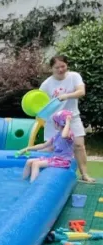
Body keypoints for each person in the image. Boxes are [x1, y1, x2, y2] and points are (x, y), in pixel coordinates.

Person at [40, 54, 93, 183]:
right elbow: (40, 104)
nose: (60, 69)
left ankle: (84, 174)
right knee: (51, 147)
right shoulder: (46, 85)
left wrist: (66, 96)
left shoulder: (74, 76)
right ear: (51, 68)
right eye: (57, 67)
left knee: (79, 145)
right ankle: (48, 177)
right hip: (54, 121)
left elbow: (81, 92)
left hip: (72, 117)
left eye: (63, 66)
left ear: (67, 65)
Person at [20, 109, 77, 182]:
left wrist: (67, 122)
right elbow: (43, 145)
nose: (53, 124)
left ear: (57, 123)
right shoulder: (57, 136)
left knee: (36, 164)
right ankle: (23, 181)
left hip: (63, 161)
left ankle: (33, 184)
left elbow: (64, 135)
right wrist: (27, 148)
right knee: (29, 161)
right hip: (54, 158)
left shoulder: (69, 134)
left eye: (54, 122)